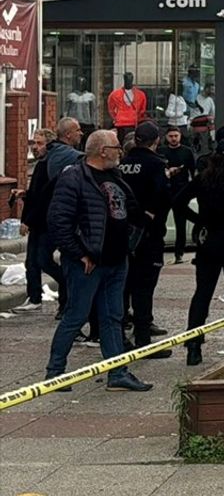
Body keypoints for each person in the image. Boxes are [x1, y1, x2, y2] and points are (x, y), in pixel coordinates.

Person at [44, 130, 153, 392]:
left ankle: (117, 373)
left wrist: (137, 231)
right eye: (116, 147)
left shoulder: (116, 176)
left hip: (116, 260)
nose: (120, 152)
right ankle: (54, 372)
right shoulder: (74, 178)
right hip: (87, 263)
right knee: (76, 315)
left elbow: (127, 210)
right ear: (103, 150)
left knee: (112, 317)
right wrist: (80, 253)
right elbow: (59, 221)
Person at [173, 137, 224, 366]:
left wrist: (200, 220)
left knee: (203, 293)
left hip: (209, 241)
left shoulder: (203, 179)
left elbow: (178, 202)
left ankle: (194, 345)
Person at [118, 121, 174, 359]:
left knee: (122, 287)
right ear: (156, 141)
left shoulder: (122, 164)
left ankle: (118, 338)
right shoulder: (156, 164)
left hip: (122, 233)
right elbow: (164, 195)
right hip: (148, 234)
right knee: (144, 288)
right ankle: (142, 339)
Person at [13, 129, 67, 315]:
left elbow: (44, 197)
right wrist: (24, 194)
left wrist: (27, 220)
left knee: (43, 259)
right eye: (34, 143)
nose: (35, 147)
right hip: (37, 221)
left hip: (47, 221)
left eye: (39, 143)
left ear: (49, 145)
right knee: (31, 262)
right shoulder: (41, 164)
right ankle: (34, 297)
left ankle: (67, 284)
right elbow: (36, 194)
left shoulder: (50, 165)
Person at [159, 126, 197, 263]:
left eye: (176, 136)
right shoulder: (161, 152)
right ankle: (159, 249)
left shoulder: (187, 152)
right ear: (166, 137)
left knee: (180, 222)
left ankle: (179, 253)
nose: (173, 138)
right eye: (171, 136)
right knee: (160, 221)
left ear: (180, 136)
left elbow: (193, 172)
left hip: (181, 190)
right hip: (165, 191)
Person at [107, 72, 147, 142]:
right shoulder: (115, 94)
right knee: (121, 141)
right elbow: (111, 108)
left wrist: (137, 118)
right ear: (124, 79)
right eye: (127, 79)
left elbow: (142, 109)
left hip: (134, 123)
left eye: (130, 79)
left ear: (132, 79)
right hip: (120, 124)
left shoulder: (140, 94)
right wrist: (116, 118)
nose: (128, 80)